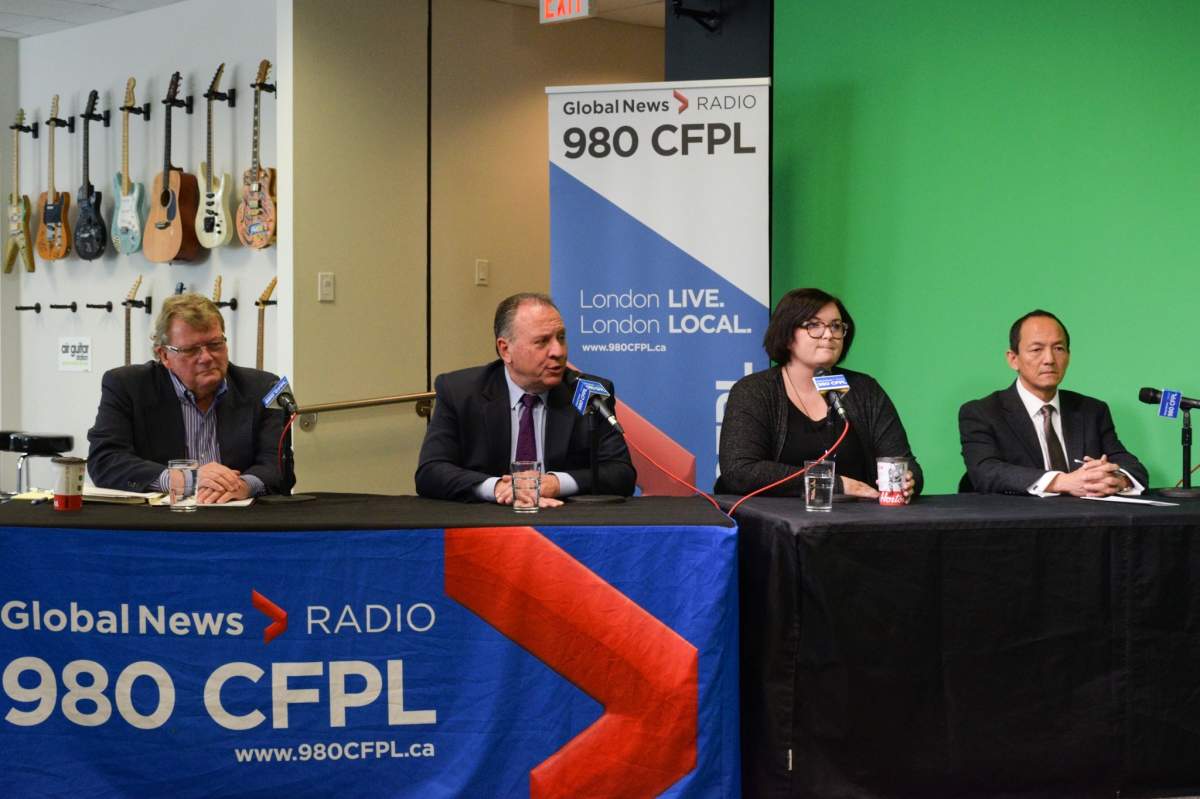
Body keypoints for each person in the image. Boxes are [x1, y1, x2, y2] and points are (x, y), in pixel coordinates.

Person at [415, 292, 636, 505]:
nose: (558, 351)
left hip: (563, 520)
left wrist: (555, 483)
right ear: (505, 350)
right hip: (486, 522)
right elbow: (430, 471)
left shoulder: (586, 392)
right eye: (542, 342)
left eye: (561, 337)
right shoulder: (461, 392)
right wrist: (497, 488)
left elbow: (621, 473)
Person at [717, 287, 922, 500]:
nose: (829, 334)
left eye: (836, 326)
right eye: (814, 325)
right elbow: (740, 471)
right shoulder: (754, 391)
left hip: (857, 520)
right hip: (775, 523)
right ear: (787, 335)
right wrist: (836, 484)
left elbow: (905, 463)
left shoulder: (864, 389)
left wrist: (907, 480)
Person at [87, 293, 294, 503]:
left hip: (236, 516)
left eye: (215, 344)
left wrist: (244, 485)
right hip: (159, 521)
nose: (206, 357)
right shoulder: (127, 386)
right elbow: (105, 461)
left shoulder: (264, 387)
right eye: (192, 350)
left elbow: (279, 464)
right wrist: (186, 479)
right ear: (164, 355)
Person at [959, 309, 1148, 496]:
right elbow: (985, 471)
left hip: (1086, 521)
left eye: (1058, 349)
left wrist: (1117, 480)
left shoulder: (1092, 411)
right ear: (1013, 359)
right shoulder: (982, 412)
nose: (1049, 359)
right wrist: (1061, 481)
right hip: (1019, 522)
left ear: (1069, 356)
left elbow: (1131, 466)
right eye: (1036, 349)